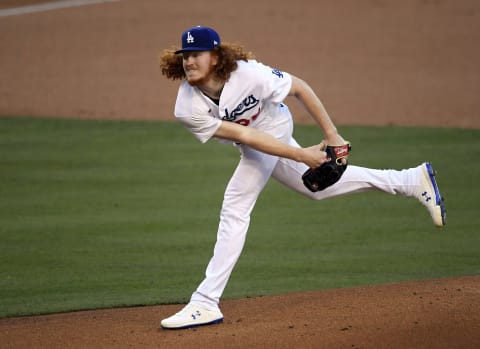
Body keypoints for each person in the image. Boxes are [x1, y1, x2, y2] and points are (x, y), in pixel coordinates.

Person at [158, 25, 446, 330]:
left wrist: (332, 136)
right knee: (316, 188)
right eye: (185, 55)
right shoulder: (187, 107)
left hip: (276, 124)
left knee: (235, 206)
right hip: (257, 139)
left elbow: (300, 88)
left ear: (215, 57)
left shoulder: (249, 74)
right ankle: (411, 180)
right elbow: (244, 135)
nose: (189, 61)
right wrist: (301, 155)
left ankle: (205, 302)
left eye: (197, 54)